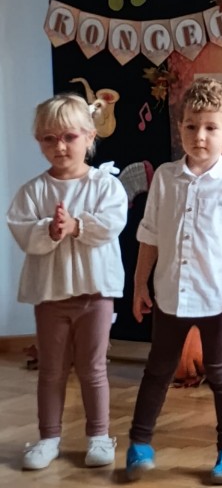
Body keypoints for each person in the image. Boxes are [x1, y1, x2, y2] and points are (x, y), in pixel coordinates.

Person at [125, 77, 222, 485]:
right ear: (180, 127)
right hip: (169, 295)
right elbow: (149, 235)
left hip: (216, 298)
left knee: (221, 373)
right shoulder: (165, 178)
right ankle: (139, 443)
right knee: (158, 370)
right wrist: (140, 285)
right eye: (191, 126)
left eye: (210, 127)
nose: (199, 136)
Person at [7, 93, 128, 470]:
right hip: (51, 296)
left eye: (69, 137)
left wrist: (76, 226)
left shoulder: (105, 185)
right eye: (49, 138)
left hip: (95, 294)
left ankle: (99, 436)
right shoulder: (33, 191)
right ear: (39, 141)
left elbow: (112, 224)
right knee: (51, 370)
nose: (59, 146)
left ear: (90, 137)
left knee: (93, 368)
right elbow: (22, 230)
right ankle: (48, 438)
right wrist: (49, 229)